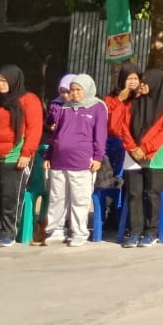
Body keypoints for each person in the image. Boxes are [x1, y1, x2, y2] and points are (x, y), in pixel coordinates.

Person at [43, 74, 106, 246]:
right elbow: (55, 134)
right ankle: (56, 229)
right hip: (59, 160)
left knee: (80, 197)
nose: (75, 93)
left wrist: (98, 157)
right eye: (72, 90)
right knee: (57, 196)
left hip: (82, 161)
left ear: (87, 89)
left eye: (79, 90)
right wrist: (49, 155)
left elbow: (100, 135)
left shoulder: (97, 107)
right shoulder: (64, 108)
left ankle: (79, 232)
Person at [117, 69, 163, 247]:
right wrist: (133, 148)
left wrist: (145, 148)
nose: (141, 85)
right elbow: (124, 126)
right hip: (132, 154)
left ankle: (151, 232)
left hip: (156, 154)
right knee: (134, 193)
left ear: (156, 83)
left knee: (152, 193)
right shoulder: (132, 103)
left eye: (145, 82)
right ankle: (135, 232)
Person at [0, 64, 42, 246]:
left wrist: (26, 153)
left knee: (11, 196)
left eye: (4, 80)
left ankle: (9, 232)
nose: (0, 84)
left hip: (15, 156)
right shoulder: (0, 100)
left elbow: (34, 128)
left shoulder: (28, 100)